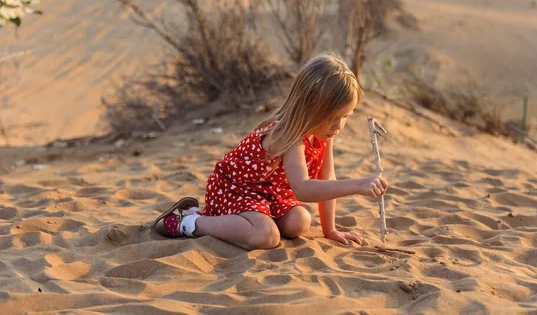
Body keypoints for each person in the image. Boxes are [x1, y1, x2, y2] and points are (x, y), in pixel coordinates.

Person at [153, 53, 388, 250]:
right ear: (309, 107)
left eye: (345, 116)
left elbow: (327, 178)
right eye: (332, 117)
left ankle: (247, 221)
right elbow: (304, 188)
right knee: (266, 237)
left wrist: (331, 230)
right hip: (236, 190)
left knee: (300, 221)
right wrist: (358, 185)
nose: (339, 126)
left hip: (269, 195)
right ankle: (189, 221)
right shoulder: (288, 133)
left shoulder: (323, 134)